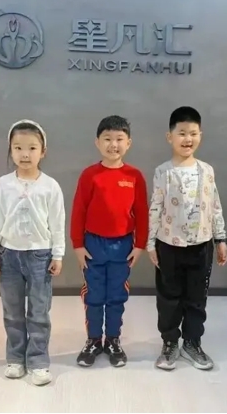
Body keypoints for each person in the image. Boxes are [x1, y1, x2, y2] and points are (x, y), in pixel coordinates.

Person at [147, 106, 227, 372]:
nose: (187, 139)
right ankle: (170, 342)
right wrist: (150, 243)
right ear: (169, 136)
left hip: (201, 246)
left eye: (193, 133)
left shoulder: (207, 170)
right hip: (168, 245)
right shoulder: (163, 172)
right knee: (168, 298)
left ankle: (192, 343)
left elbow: (215, 206)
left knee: (196, 298)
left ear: (200, 136)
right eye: (181, 133)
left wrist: (221, 238)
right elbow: (155, 208)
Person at [0, 119, 65, 387]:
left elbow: (57, 222)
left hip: (40, 256)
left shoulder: (50, 186)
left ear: (43, 151)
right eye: (18, 148)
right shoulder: (2, 185)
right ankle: (15, 358)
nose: (25, 154)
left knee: (39, 312)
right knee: (12, 311)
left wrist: (58, 254)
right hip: (9, 255)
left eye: (32, 148)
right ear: (10, 150)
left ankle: (39, 361)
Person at [70, 115, 149, 368]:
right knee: (94, 295)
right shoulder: (90, 175)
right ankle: (94, 340)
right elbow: (79, 210)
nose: (113, 144)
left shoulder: (134, 176)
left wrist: (140, 245)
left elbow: (142, 213)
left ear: (128, 143)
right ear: (97, 142)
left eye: (119, 139)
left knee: (116, 295)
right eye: (107, 139)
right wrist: (78, 244)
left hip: (122, 246)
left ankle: (113, 340)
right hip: (93, 245)